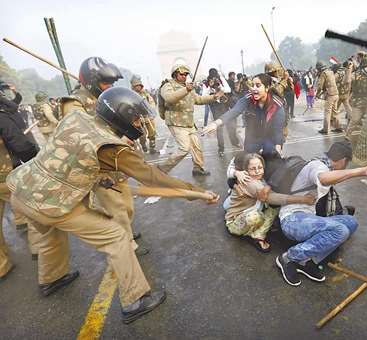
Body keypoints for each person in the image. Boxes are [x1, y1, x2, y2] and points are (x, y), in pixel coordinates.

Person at [7, 87, 219, 323]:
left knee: (49, 234)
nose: (139, 123)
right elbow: (153, 177)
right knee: (116, 236)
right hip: (50, 202)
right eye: (136, 118)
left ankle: (51, 278)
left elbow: (70, 155)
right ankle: (135, 300)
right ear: (121, 117)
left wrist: (97, 175)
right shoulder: (111, 147)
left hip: (23, 189)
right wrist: (195, 192)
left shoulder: (76, 117)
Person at [60, 57, 144, 252]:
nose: (110, 86)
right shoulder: (74, 104)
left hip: (116, 161)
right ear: (90, 81)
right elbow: (78, 136)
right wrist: (115, 140)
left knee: (127, 205)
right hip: (98, 165)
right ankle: (127, 244)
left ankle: (125, 230)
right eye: (106, 82)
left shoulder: (105, 96)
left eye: (113, 83)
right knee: (117, 208)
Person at [275, 139, 367, 286]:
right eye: (347, 164)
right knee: (339, 230)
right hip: (292, 220)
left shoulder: (325, 164)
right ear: (343, 160)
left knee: (351, 222)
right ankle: (289, 257)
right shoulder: (318, 166)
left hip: (307, 218)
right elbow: (323, 179)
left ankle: (307, 261)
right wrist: (362, 171)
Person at [225, 152, 315, 252]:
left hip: (251, 209)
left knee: (274, 209)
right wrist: (302, 199)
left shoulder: (260, 177)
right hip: (235, 222)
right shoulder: (249, 181)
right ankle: (251, 234)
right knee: (254, 217)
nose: (257, 171)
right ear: (245, 170)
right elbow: (271, 197)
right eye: (252, 169)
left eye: (260, 167)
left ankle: (257, 233)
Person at [0, 81, 41, 278]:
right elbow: (16, 140)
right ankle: (39, 248)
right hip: (5, 173)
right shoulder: (2, 114)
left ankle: (1, 265)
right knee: (30, 208)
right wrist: (36, 156)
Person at [158, 64, 223, 176]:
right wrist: (185, 90)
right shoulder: (167, 85)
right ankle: (161, 170)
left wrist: (214, 97)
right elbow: (169, 98)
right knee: (184, 148)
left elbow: (198, 99)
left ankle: (198, 168)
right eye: (181, 74)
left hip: (188, 122)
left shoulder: (188, 86)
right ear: (175, 74)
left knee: (196, 146)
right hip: (176, 122)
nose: (184, 76)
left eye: (186, 74)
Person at [203, 73, 285, 156]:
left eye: (258, 85)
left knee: (271, 157)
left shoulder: (276, 104)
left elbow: (278, 130)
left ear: (267, 88)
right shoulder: (248, 98)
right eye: (252, 85)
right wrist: (216, 123)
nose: (254, 88)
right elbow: (234, 111)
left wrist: (278, 148)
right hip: (252, 138)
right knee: (249, 161)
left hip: (269, 138)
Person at [202, 69, 242, 157]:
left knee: (230, 125)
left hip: (224, 104)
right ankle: (221, 149)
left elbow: (228, 90)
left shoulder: (221, 79)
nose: (214, 78)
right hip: (215, 107)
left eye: (215, 77)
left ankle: (234, 142)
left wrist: (220, 86)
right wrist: (210, 87)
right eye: (213, 77)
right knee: (219, 128)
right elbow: (203, 96)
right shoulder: (206, 84)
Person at [131, 75, 158, 154]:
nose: (137, 87)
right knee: (142, 135)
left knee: (152, 133)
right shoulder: (131, 95)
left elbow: (151, 102)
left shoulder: (145, 93)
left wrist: (150, 110)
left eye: (139, 85)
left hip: (148, 116)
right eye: (135, 86)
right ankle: (143, 144)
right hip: (139, 118)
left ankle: (152, 147)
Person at [315, 61, 341, 135]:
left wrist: (317, 94)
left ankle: (326, 129)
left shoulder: (323, 74)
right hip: (336, 93)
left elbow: (320, 86)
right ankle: (338, 127)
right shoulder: (331, 72)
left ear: (319, 68)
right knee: (335, 111)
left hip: (330, 95)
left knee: (327, 112)